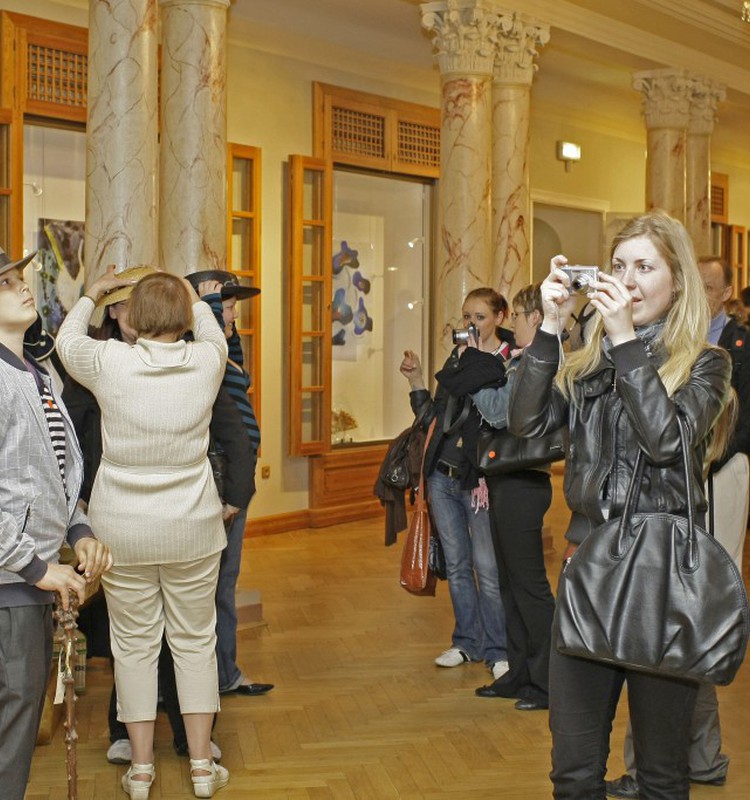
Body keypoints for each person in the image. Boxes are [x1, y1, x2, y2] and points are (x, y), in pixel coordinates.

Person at [507, 212, 734, 800]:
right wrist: (552, 330)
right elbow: (525, 423)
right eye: (618, 266)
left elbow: (665, 442)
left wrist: (627, 342)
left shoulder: (707, 363)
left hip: (661, 580)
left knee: (661, 775)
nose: (628, 280)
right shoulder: (592, 360)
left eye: (644, 267)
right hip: (588, 567)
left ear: (677, 280)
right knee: (573, 769)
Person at [62, 266, 254, 765]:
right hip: (192, 528)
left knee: (134, 649)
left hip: (123, 530)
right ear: (185, 314)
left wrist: (92, 294)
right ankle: (201, 762)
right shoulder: (207, 362)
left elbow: (66, 342)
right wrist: (192, 297)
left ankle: (142, 767)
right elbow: (211, 329)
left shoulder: (109, 362)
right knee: (194, 644)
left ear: (137, 314)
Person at [605, 254, 750, 799]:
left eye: (644, 268)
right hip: (652, 505)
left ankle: (691, 759)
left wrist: (702, 454)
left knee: (691, 621)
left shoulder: (722, 351)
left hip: (713, 478)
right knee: (658, 635)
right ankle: (678, 760)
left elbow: (685, 432)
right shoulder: (635, 346)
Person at [0, 247, 112, 800]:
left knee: (19, 724)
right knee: (11, 727)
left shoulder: (35, 370)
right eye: (5, 283)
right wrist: (36, 567)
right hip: (9, 585)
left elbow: (54, 470)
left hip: (28, 580)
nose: (22, 287)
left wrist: (79, 532)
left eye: (19, 277)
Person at [400, 288, 508, 679]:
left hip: (477, 481)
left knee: (488, 569)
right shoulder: (456, 362)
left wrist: (473, 365)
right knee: (458, 567)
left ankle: (498, 649)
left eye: (479, 317)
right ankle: (467, 641)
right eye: (466, 317)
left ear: (499, 317)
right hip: (441, 477)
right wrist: (415, 381)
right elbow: (434, 417)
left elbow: (501, 420)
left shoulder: (507, 363)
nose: (470, 325)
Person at [468, 284, 557, 711]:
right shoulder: (522, 360)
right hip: (508, 479)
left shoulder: (538, 362)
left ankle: (548, 682)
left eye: (518, 317)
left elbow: (502, 412)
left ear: (535, 318)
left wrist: (473, 379)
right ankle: (520, 674)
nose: (513, 325)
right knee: (509, 586)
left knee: (530, 587)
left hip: (524, 481)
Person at [188, 269, 273, 697]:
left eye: (235, 301)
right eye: (228, 301)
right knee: (215, 585)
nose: (234, 309)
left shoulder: (223, 348)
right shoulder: (198, 350)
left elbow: (234, 368)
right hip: (220, 483)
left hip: (235, 479)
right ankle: (215, 678)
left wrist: (222, 322)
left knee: (225, 582)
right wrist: (207, 310)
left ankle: (224, 674)